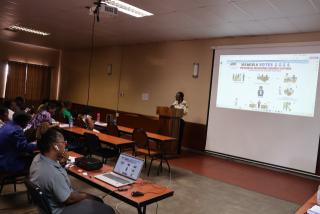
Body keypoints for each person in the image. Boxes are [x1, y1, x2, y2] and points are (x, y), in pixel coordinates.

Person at [29, 128, 114, 214]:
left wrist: (61, 163)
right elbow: (69, 199)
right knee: (107, 209)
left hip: (47, 208)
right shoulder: (53, 173)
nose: (66, 145)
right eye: (63, 143)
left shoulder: (37, 158)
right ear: (55, 146)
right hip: (60, 210)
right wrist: (87, 196)